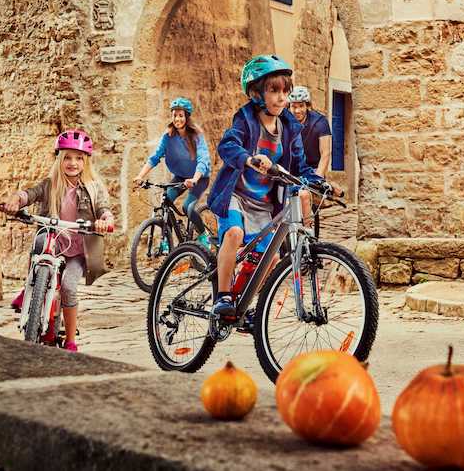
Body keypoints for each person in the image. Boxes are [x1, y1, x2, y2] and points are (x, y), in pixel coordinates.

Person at [207, 55, 325, 319]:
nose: (282, 97)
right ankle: (222, 296)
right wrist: (248, 159)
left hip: (264, 204)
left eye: (285, 91)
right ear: (256, 93)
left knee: (269, 259)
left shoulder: (288, 127)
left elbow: (298, 165)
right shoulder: (245, 119)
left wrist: (318, 180)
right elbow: (228, 145)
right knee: (234, 234)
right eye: (274, 91)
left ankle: (241, 304)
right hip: (235, 195)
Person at [1, 129, 114, 352]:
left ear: (86, 161)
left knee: (69, 288)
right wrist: (15, 200)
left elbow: (104, 209)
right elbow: (29, 194)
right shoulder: (51, 184)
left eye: (78, 158)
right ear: (59, 159)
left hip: (78, 250)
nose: (72, 163)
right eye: (67, 157)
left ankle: (71, 339)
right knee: (41, 241)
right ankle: (30, 289)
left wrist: (105, 219)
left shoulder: (94, 187)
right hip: (54, 243)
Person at [133, 97, 212, 246]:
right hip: (181, 177)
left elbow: (203, 160)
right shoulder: (168, 137)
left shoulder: (196, 136)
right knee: (166, 201)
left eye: (180, 115)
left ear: (186, 117)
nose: (177, 118)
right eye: (174, 115)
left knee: (187, 207)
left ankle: (203, 235)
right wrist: (140, 176)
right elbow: (155, 157)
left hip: (199, 178)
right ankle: (167, 241)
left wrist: (194, 179)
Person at [288, 85, 333, 225]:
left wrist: (317, 178)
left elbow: (326, 153)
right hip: (292, 167)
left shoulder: (319, 122)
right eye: (293, 106)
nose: (297, 110)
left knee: (307, 199)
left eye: (301, 106)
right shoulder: (285, 121)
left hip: (313, 167)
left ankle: (309, 233)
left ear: (307, 105)